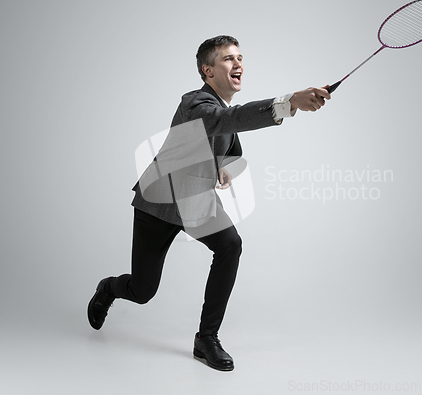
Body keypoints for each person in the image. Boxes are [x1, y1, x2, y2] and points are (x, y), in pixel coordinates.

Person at [87, 35, 331, 371]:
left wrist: (221, 166)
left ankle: (206, 338)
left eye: (240, 57)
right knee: (143, 291)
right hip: (158, 202)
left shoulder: (222, 111)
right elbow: (222, 122)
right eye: (228, 59)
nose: (238, 64)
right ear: (207, 71)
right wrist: (289, 102)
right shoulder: (195, 103)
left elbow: (228, 140)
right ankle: (110, 288)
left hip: (196, 199)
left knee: (230, 246)